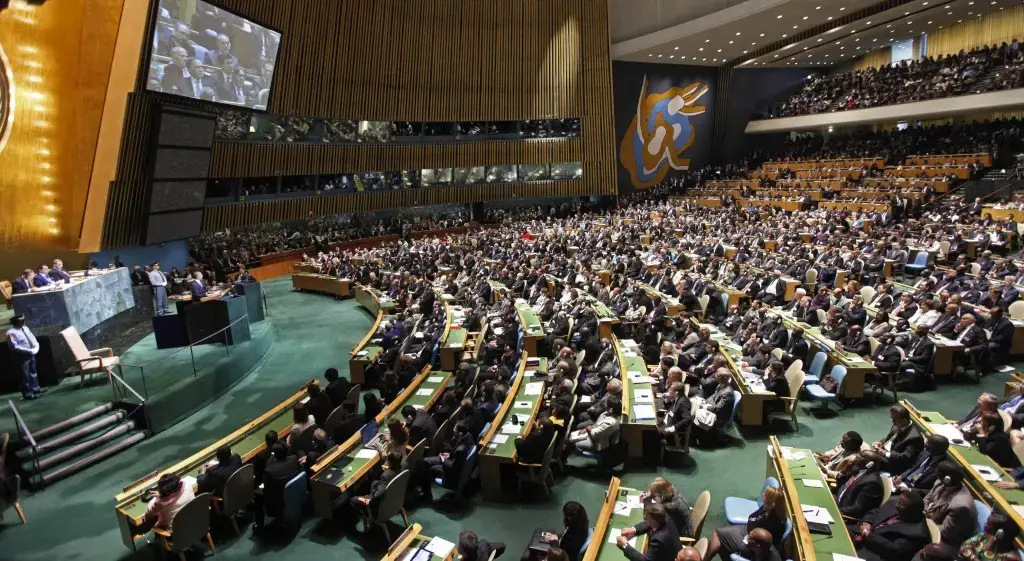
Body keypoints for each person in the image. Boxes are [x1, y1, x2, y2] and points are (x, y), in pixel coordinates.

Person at [706, 486, 787, 561]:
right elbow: (752, 518)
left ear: (772, 503)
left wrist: (749, 538)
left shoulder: (773, 523)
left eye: (765, 495)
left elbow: (762, 545)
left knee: (719, 538)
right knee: (719, 535)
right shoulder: (766, 508)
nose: (763, 495)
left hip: (751, 543)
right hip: (747, 531)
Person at [847, 491, 930, 561]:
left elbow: (893, 549)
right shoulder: (897, 505)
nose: (896, 505)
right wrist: (867, 523)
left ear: (912, 512)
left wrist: (868, 534)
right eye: (898, 501)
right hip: (858, 532)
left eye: (900, 505)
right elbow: (875, 512)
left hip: (873, 553)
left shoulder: (917, 534)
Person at [924, 461, 977, 546]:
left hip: (947, 542)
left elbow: (945, 532)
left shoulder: (960, 506)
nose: (936, 473)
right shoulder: (939, 483)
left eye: (938, 472)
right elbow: (926, 500)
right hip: (930, 522)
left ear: (947, 479)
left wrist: (923, 524)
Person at [254, 442, 301, 530]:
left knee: (257, 497)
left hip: (279, 504)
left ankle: (259, 527)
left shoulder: (269, 471)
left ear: (274, 455)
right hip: (295, 494)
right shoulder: (294, 458)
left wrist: (271, 460)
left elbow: (266, 490)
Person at [616, 503, 681, 561]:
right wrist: (633, 529)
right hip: (672, 551)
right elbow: (648, 523)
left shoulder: (658, 540)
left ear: (654, 521)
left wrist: (625, 546)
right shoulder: (664, 516)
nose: (645, 519)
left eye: (646, 517)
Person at [349, 451, 403, 518]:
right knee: (373, 482)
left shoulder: (386, 475)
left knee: (352, 499)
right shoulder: (402, 468)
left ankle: (365, 513)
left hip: (380, 505)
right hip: (395, 498)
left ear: (390, 462)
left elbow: (377, 495)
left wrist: (367, 500)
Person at [874, 404, 924, 474]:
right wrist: (881, 443)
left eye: (894, 420)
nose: (892, 422)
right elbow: (892, 437)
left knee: (867, 459)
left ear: (904, 420)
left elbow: (905, 457)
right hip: (886, 453)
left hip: (895, 463)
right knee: (865, 456)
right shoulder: (897, 424)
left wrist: (886, 453)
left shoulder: (915, 437)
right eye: (891, 419)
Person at [835, 450, 885, 519]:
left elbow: (857, 508)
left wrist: (835, 510)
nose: (856, 457)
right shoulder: (857, 469)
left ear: (869, 464)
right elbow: (840, 486)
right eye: (858, 455)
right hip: (835, 500)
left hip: (842, 512)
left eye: (860, 457)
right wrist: (844, 471)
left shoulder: (872, 483)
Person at [6, 315, 43, 400]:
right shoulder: (11, 333)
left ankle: (36, 389)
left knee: (33, 373)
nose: (23, 321)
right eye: (21, 320)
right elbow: (14, 347)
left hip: (31, 353)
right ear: (15, 322)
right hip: (21, 356)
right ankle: (28, 394)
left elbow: (32, 338)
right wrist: (29, 351)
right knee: (24, 376)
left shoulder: (25, 328)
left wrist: (36, 347)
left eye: (23, 320)